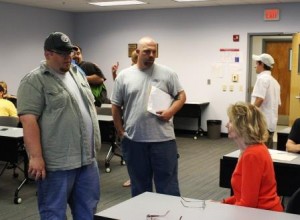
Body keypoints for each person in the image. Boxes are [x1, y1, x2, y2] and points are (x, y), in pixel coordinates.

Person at [17, 32, 101, 219]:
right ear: (48, 54)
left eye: (70, 52)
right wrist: (36, 157)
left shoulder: (77, 73)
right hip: (58, 163)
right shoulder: (35, 80)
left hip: (87, 159)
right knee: (53, 213)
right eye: (62, 53)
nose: (68, 57)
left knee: (88, 211)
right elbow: (28, 120)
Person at [111, 36, 186, 197]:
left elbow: (181, 96)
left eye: (154, 51)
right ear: (137, 52)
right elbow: (116, 105)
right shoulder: (124, 76)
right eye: (147, 51)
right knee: (139, 188)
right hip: (134, 141)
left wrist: (170, 111)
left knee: (168, 187)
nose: (151, 55)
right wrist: (120, 130)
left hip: (163, 140)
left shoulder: (168, 73)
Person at [223, 102, 283, 212]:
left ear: (242, 126)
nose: (227, 125)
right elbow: (243, 196)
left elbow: (248, 204)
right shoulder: (250, 150)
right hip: (260, 212)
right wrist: (223, 203)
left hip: (263, 214)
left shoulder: (252, 155)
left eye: (231, 121)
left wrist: (224, 209)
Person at [111, 50, 138, 188]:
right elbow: (119, 88)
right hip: (128, 121)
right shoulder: (127, 74)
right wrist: (115, 74)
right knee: (131, 155)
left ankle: (138, 177)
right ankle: (133, 177)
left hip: (138, 123)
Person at [251, 53, 281, 149]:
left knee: (258, 151)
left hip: (261, 124)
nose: (255, 66)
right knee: (268, 152)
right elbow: (278, 104)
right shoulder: (275, 82)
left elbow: (259, 99)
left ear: (262, 64)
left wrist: (249, 114)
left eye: (257, 63)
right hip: (271, 123)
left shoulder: (262, 79)